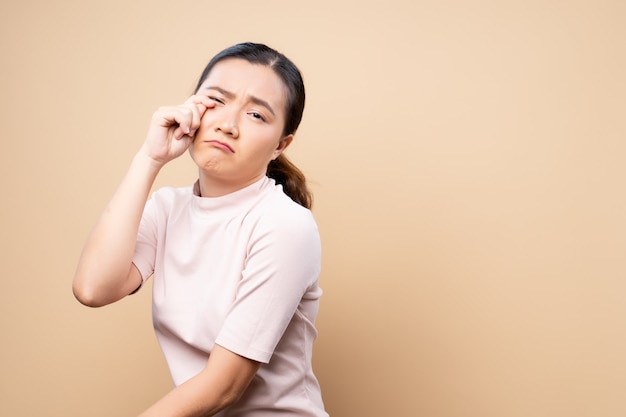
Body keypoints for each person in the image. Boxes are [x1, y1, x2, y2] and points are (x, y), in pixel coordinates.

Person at [72, 42, 328, 417]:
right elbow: (94, 289)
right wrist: (149, 158)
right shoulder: (168, 208)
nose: (228, 124)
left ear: (280, 145)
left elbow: (223, 387)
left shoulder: (285, 224)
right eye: (216, 100)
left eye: (256, 115)